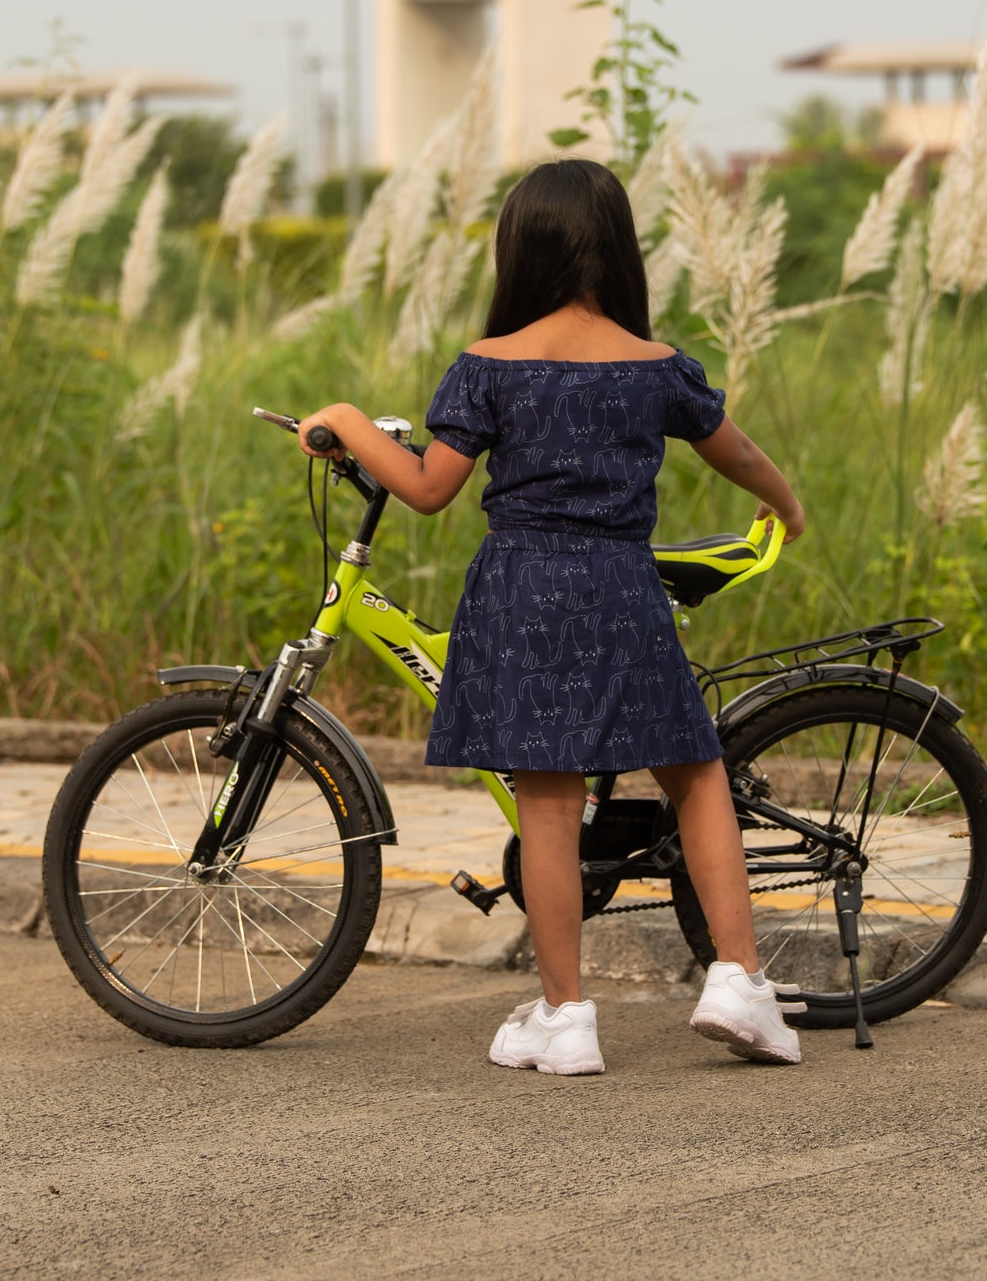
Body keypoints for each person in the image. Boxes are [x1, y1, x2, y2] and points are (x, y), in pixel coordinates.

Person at [299, 158, 807, 1074]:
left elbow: (425, 487)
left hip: (523, 589)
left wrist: (343, 416)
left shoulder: (488, 369)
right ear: (617, 250)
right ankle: (738, 981)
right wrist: (786, 504)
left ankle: (566, 1015)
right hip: (620, 585)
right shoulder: (658, 368)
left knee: (547, 808)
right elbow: (738, 455)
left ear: (517, 251)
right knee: (694, 777)